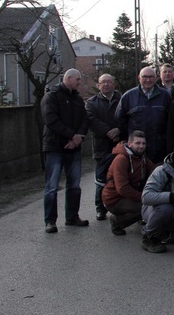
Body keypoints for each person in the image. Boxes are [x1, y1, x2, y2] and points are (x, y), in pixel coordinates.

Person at [41, 69, 90, 233]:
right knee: (52, 186)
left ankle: (72, 216)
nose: (79, 83)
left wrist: (78, 138)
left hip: (74, 148)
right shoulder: (52, 96)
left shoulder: (77, 99)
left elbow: (85, 120)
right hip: (55, 147)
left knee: (74, 185)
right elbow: (51, 120)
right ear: (68, 78)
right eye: (77, 79)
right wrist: (71, 136)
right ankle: (50, 221)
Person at [101, 131, 156, 236]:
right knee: (147, 207)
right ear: (129, 144)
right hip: (114, 199)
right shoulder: (121, 159)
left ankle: (141, 216)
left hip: (128, 195)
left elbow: (154, 169)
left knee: (151, 204)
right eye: (138, 143)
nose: (141, 146)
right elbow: (122, 188)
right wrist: (145, 197)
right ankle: (117, 222)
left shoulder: (141, 156)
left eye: (143, 143)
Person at [116, 67, 171, 164]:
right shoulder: (128, 96)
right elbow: (120, 120)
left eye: (151, 77)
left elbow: (171, 120)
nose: (148, 80)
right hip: (136, 148)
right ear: (139, 78)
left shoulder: (165, 96)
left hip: (159, 147)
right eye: (145, 77)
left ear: (156, 78)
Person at [85, 73, 121, 220]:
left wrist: (119, 130)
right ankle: (100, 208)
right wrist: (108, 131)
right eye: (103, 82)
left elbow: (127, 117)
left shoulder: (123, 100)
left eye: (109, 82)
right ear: (98, 86)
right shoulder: (91, 103)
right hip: (101, 146)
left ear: (114, 84)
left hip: (120, 145)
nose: (106, 84)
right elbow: (91, 120)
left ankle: (118, 207)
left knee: (120, 177)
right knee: (101, 179)